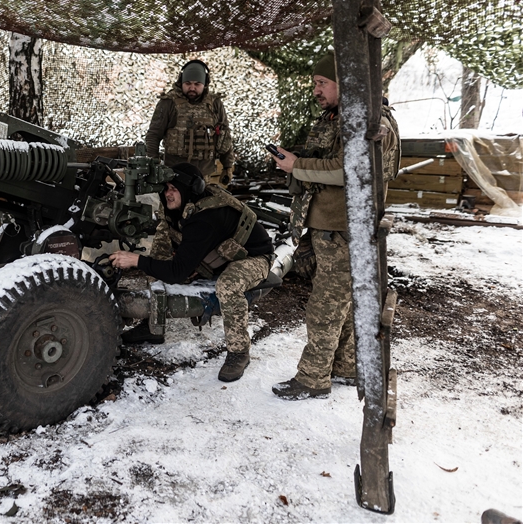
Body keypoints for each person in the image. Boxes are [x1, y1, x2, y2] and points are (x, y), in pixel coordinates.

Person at [270, 51, 400, 400]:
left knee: (325, 308)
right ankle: (345, 366)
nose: (317, 90)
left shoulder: (371, 121)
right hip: (328, 228)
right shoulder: (339, 116)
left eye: (322, 82)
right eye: (315, 83)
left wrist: (297, 166)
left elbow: (350, 171)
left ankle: (313, 380)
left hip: (346, 230)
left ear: (346, 82)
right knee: (340, 302)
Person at [109, 162, 274, 382]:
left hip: (254, 257)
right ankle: (153, 327)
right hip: (218, 252)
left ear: (190, 189)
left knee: (228, 285)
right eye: (166, 188)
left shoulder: (205, 218)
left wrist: (136, 260)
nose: (168, 194)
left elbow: (177, 273)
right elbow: (169, 255)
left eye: (174, 189)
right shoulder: (179, 207)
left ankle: (239, 352)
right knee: (158, 254)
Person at [144, 60, 236, 184]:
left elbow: (225, 136)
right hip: (175, 172)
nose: (192, 88)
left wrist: (227, 166)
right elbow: (154, 135)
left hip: (205, 174)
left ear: (205, 84)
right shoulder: (168, 103)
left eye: (197, 84)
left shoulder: (215, 104)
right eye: (187, 83)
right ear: (181, 81)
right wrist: (153, 165)